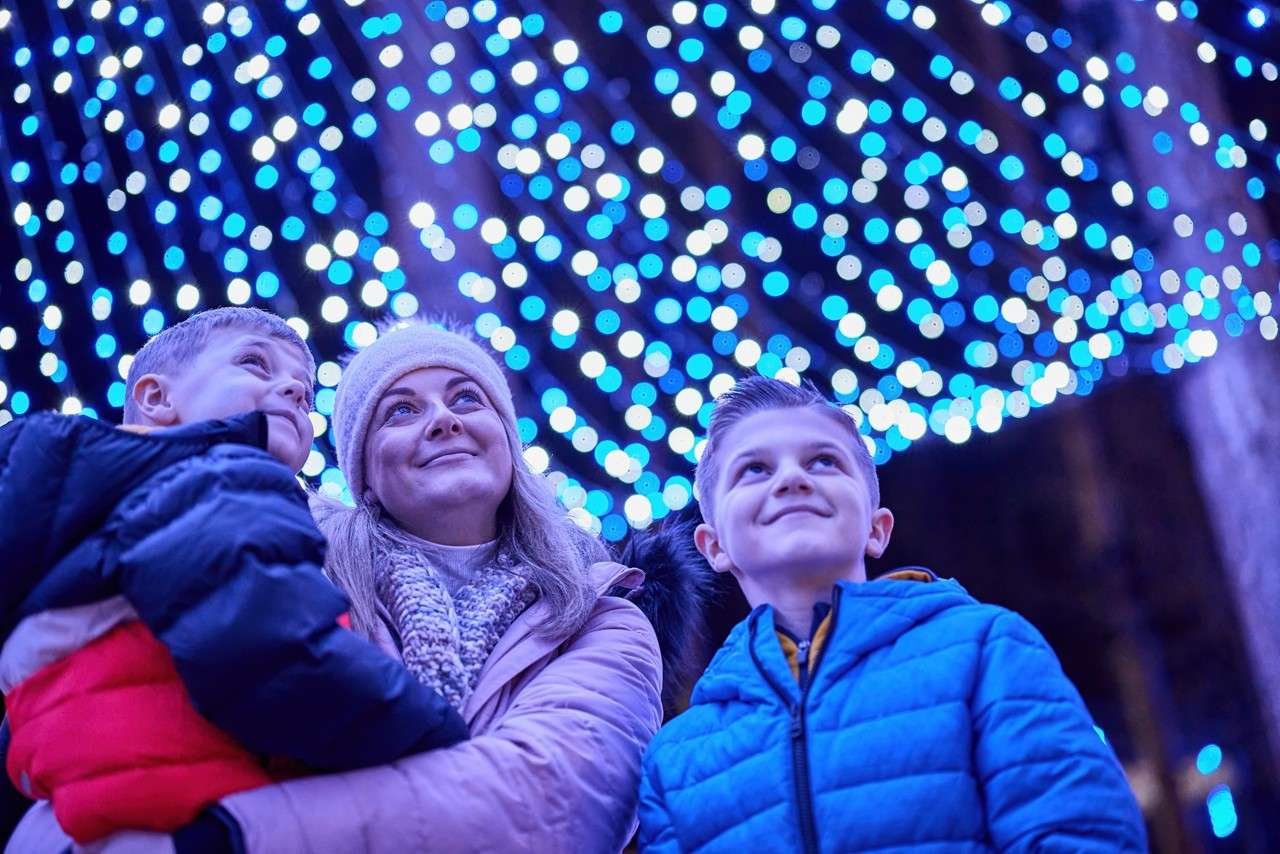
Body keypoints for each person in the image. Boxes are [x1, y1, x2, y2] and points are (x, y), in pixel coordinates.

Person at [0, 308, 467, 847]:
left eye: (305, 394)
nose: (294, 391)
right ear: (156, 398)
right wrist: (439, 738)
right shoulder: (221, 475)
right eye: (255, 364)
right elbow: (275, 654)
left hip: (95, 818)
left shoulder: (77, 519)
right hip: (206, 818)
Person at [637, 375, 1148, 853]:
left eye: (823, 462)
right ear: (714, 545)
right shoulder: (677, 761)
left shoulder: (985, 652)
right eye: (754, 470)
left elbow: (1083, 835)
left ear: (877, 529)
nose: (791, 479)